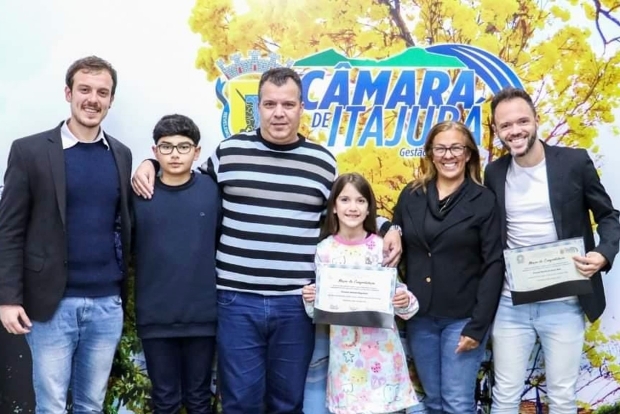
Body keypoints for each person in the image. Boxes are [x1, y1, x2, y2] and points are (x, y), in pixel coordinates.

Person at [131, 67, 403, 413]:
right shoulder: (229, 153)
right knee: (240, 402)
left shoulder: (321, 162)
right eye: (270, 104)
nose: (279, 113)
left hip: (295, 304)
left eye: (288, 104)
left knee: (287, 403)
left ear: (301, 107)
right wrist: (150, 164)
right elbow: (184, 180)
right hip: (236, 301)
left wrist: (390, 228)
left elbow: (349, 208)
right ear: (257, 106)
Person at [0, 56, 132, 414]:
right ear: (68, 93)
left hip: (106, 305)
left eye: (102, 92)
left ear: (111, 100)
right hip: (51, 307)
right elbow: (9, 231)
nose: (93, 99)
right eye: (84, 89)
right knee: (52, 406)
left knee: (91, 405)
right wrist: (8, 299)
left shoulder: (121, 154)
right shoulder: (29, 151)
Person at [485, 87, 620, 414]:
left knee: (561, 397)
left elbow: (609, 216)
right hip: (510, 304)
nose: (515, 130)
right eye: (505, 125)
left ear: (536, 120)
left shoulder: (574, 162)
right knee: (504, 396)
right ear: (497, 130)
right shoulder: (494, 172)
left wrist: (603, 253)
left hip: (565, 303)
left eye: (522, 121)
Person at [392, 121, 504, 414]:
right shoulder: (412, 194)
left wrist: (478, 326)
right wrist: (390, 228)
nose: (448, 155)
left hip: (462, 319)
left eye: (456, 147)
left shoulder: (484, 200)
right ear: (430, 153)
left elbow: (494, 264)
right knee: (433, 401)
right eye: (440, 148)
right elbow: (395, 229)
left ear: (468, 154)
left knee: (456, 403)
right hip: (420, 318)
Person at [301, 172, 419, 414]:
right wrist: (311, 299)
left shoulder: (382, 247)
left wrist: (403, 300)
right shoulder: (324, 250)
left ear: (369, 209)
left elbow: (406, 305)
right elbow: (318, 313)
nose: (353, 207)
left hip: (384, 358)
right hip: (345, 363)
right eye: (345, 200)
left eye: (360, 201)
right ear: (334, 207)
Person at [132, 114, 220, 414]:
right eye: (166, 147)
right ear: (155, 151)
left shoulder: (212, 190)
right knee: (165, 399)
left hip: (202, 315)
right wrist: (147, 165)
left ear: (197, 151)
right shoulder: (140, 193)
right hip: (155, 316)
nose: (175, 154)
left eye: (183, 147)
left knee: (198, 399)